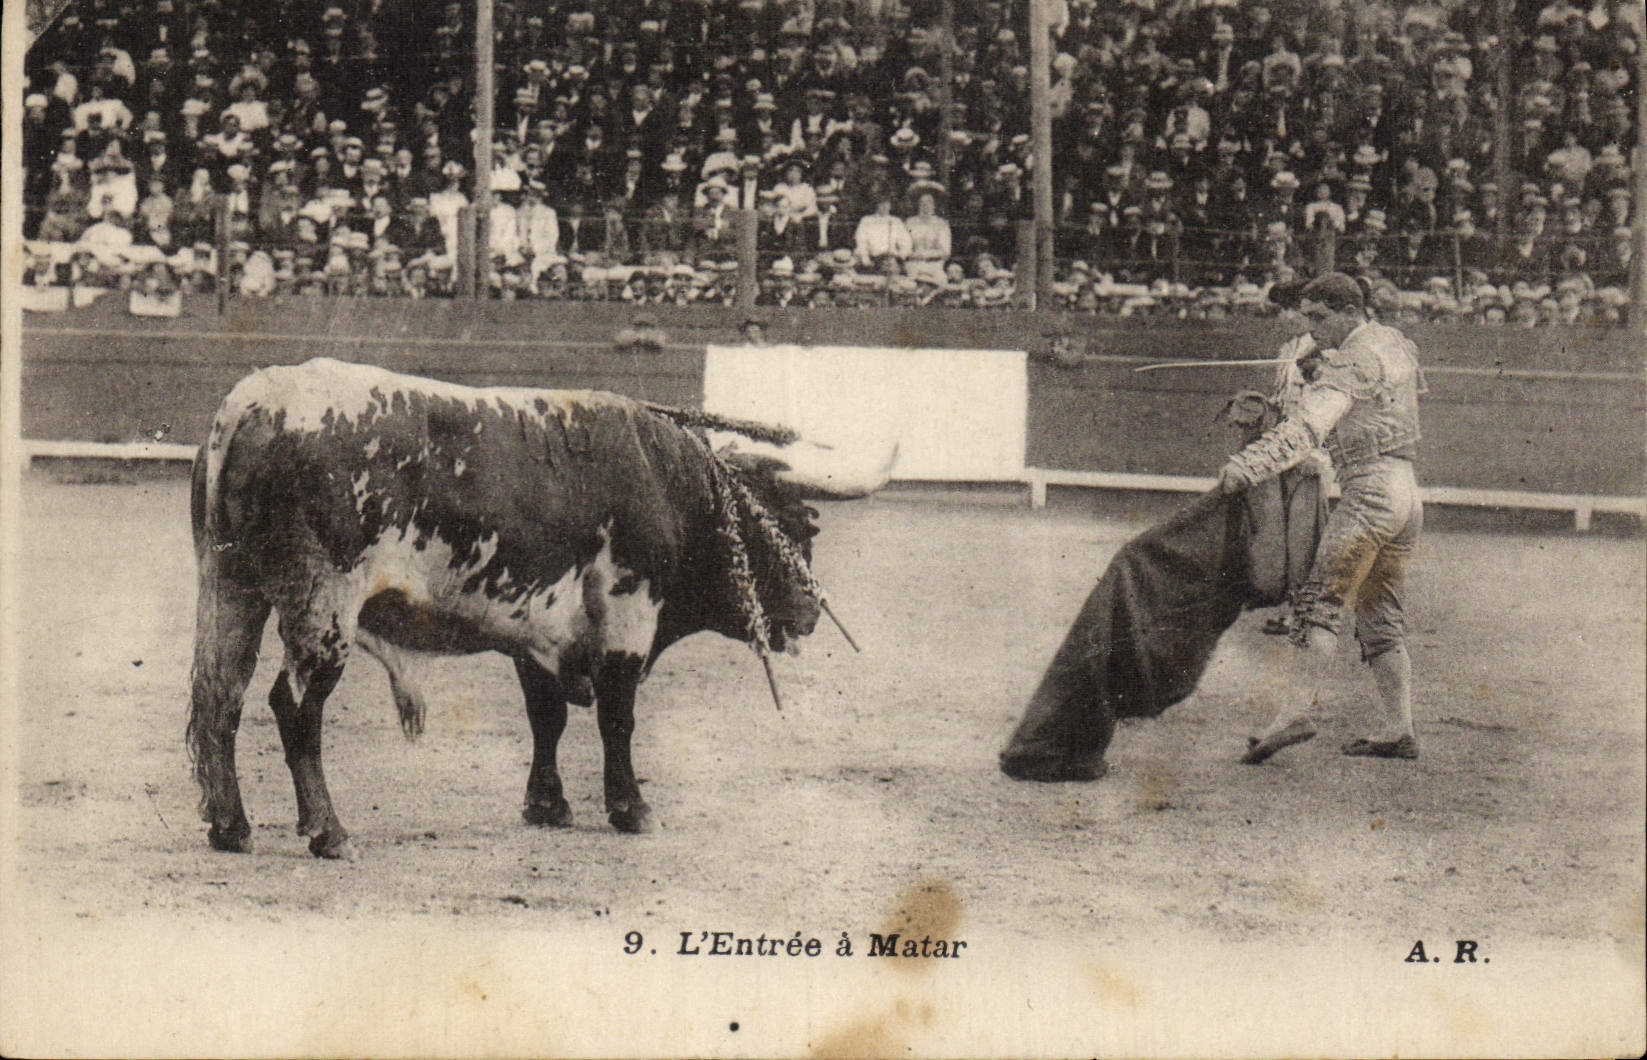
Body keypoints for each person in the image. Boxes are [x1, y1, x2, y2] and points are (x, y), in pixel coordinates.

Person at [1218, 272, 1425, 763]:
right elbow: (1387, 395)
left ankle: (1293, 714)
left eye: (1319, 318)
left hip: (1369, 495)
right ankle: (1399, 729)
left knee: (1317, 604)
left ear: (1350, 312)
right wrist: (1322, 370)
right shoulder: (1392, 342)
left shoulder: (1352, 358)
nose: (1311, 330)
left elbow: (1306, 430)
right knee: (1380, 616)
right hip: (1406, 495)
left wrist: (1246, 467)